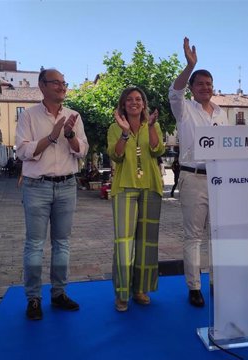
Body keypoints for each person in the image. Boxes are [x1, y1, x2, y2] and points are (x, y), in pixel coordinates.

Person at [15, 68, 89, 320]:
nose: (61, 87)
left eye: (64, 83)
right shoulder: (28, 116)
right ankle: (33, 298)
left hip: (67, 185)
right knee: (35, 244)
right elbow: (23, 152)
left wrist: (68, 135)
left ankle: (59, 294)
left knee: (62, 243)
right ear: (42, 86)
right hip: (37, 186)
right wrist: (52, 135)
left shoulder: (74, 116)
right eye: (56, 83)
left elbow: (82, 151)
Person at [169, 37, 228, 307]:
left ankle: (218, 281)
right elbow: (174, 92)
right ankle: (194, 286)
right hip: (193, 178)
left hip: (219, 179)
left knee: (218, 233)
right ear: (192, 88)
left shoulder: (221, 114)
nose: (205, 87)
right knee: (193, 235)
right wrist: (189, 66)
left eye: (208, 84)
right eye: (199, 83)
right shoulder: (184, 110)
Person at [107, 87, 165, 312]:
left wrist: (150, 127)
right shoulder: (114, 127)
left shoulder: (154, 125)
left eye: (138, 99)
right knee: (123, 243)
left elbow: (157, 150)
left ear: (143, 104)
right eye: (129, 99)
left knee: (146, 243)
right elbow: (116, 155)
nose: (134, 102)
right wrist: (123, 133)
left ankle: (140, 289)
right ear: (123, 104)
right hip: (124, 188)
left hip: (150, 186)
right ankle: (122, 293)